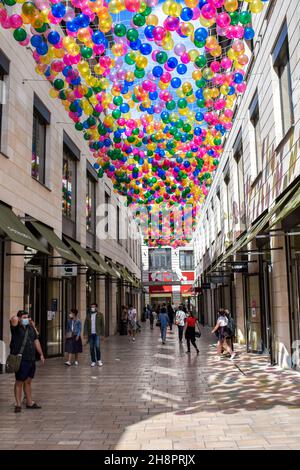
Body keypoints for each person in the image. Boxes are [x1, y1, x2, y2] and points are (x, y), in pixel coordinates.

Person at [9, 310, 45, 413]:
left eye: (27, 317)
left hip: (31, 358)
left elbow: (36, 341)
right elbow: (13, 319)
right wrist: (19, 319)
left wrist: (41, 354)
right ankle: (18, 404)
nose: (27, 319)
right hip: (21, 359)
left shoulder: (30, 328)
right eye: (24, 317)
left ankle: (29, 402)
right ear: (20, 318)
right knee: (19, 381)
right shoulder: (16, 328)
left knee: (28, 381)